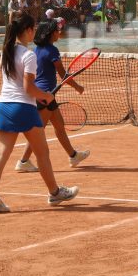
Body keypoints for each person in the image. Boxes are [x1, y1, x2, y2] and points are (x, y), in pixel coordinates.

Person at [0, 12, 80, 213]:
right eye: (33, 28)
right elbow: (29, 89)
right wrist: (46, 96)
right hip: (23, 108)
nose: (35, 31)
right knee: (42, 153)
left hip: (3, 107)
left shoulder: (6, 51)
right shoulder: (29, 56)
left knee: (1, 154)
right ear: (27, 30)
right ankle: (55, 193)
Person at [15, 18, 90, 173]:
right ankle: (23, 161)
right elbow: (63, 74)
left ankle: (73, 155)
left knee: (59, 126)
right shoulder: (52, 50)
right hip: (45, 96)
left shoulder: (36, 51)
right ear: (50, 33)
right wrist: (77, 87)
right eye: (57, 30)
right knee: (38, 130)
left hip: (44, 95)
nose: (60, 33)